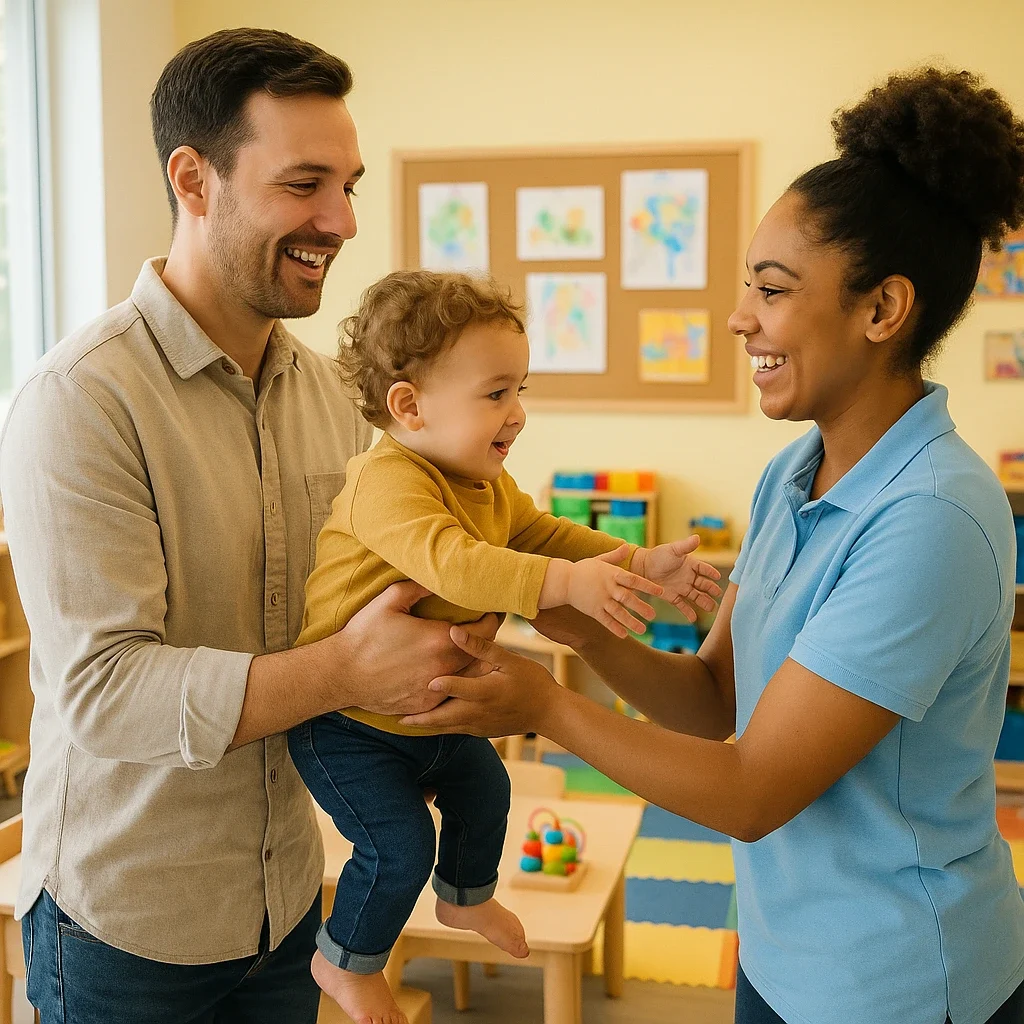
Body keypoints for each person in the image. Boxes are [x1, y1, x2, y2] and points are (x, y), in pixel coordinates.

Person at [404, 68, 1024, 1024]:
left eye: (771, 290)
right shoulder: (795, 473)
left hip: (894, 983)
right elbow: (715, 702)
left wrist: (542, 705)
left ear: (882, 309)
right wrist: (581, 624)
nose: (740, 316)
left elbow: (750, 790)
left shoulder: (932, 520)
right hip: (779, 953)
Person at [0, 28, 500, 1024]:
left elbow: (367, 593)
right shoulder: (80, 400)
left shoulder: (331, 398)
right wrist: (353, 669)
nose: (342, 220)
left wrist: (456, 615)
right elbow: (105, 690)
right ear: (195, 179)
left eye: (349, 185)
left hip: (286, 910)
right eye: (305, 184)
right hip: (123, 926)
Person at [289, 268, 723, 1024]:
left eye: (521, 389)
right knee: (397, 848)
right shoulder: (389, 483)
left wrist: (636, 562)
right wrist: (564, 584)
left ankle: (466, 900)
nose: (518, 414)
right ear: (408, 406)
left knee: (488, 790)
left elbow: (546, 536)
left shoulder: (484, 482)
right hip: (349, 727)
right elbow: (455, 562)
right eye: (496, 394)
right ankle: (345, 961)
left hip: (427, 716)